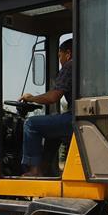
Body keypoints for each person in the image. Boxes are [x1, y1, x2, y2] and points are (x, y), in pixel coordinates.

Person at [19, 38, 73, 177]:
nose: (60, 60)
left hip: (75, 118)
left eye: (59, 56)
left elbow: (53, 98)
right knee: (52, 125)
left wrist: (30, 98)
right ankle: (45, 167)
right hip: (85, 118)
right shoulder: (87, 67)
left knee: (31, 124)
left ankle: (34, 170)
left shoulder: (70, 66)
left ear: (68, 54)